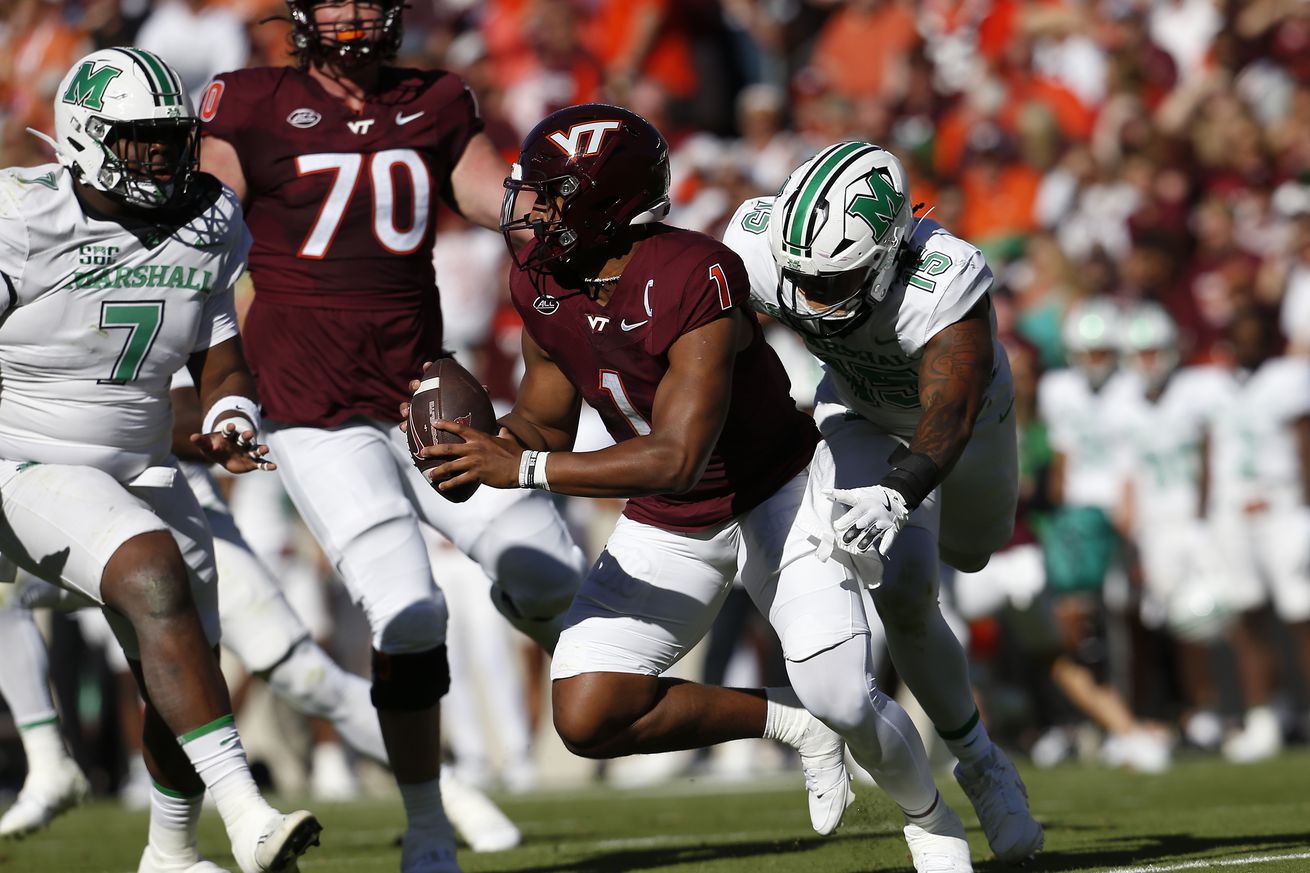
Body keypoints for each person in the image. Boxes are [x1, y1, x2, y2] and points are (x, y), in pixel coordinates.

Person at [411, 103, 974, 873]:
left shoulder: (694, 273)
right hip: (674, 516)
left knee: (844, 691)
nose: (529, 208)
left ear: (603, 207)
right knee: (587, 710)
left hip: (775, 491)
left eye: (551, 194)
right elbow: (546, 419)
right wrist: (489, 446)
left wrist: (528, 470)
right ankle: (789, 723)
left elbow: (678, 453)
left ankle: (932, 821)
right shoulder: (539, 282)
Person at [197, 3, 586, 870]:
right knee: (408, 611)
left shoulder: (437, 97)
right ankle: (427, 822)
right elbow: (206, 217)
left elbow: (485, 189)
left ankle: (529, 609)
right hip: (311, 404)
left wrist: (547, 212)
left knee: (546, 569)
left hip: (421, 389)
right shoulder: (249, 101)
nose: (353, 12)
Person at [0, 48, 319, 873]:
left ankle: (170, 855)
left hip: (143, 464)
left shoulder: (209, 215)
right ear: (81, 138)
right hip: (24, 456)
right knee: (152, 570)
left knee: (182, 669)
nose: (161, 158)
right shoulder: (21, 215)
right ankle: (248, 815)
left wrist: (230, 411)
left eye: (170, 139)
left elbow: (219, 351)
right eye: (139, 141)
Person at [0, 368, 522, 855]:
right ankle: (47, 757)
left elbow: (184, 410)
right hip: (49, 498)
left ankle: (444, 791)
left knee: (303, 674)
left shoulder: (154, 279)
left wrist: (223, 425)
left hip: (160, 504)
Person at [721, 142, 1044, 864]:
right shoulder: (753, 242)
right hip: (859, 415)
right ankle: (981, 764)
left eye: (831, 280)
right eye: (799, 277)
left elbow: (950, 410)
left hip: (962, 430)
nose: (809, 298)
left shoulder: (944, 276)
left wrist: (902, 490)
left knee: (972, 550)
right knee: (901, 593)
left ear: (893, 249)